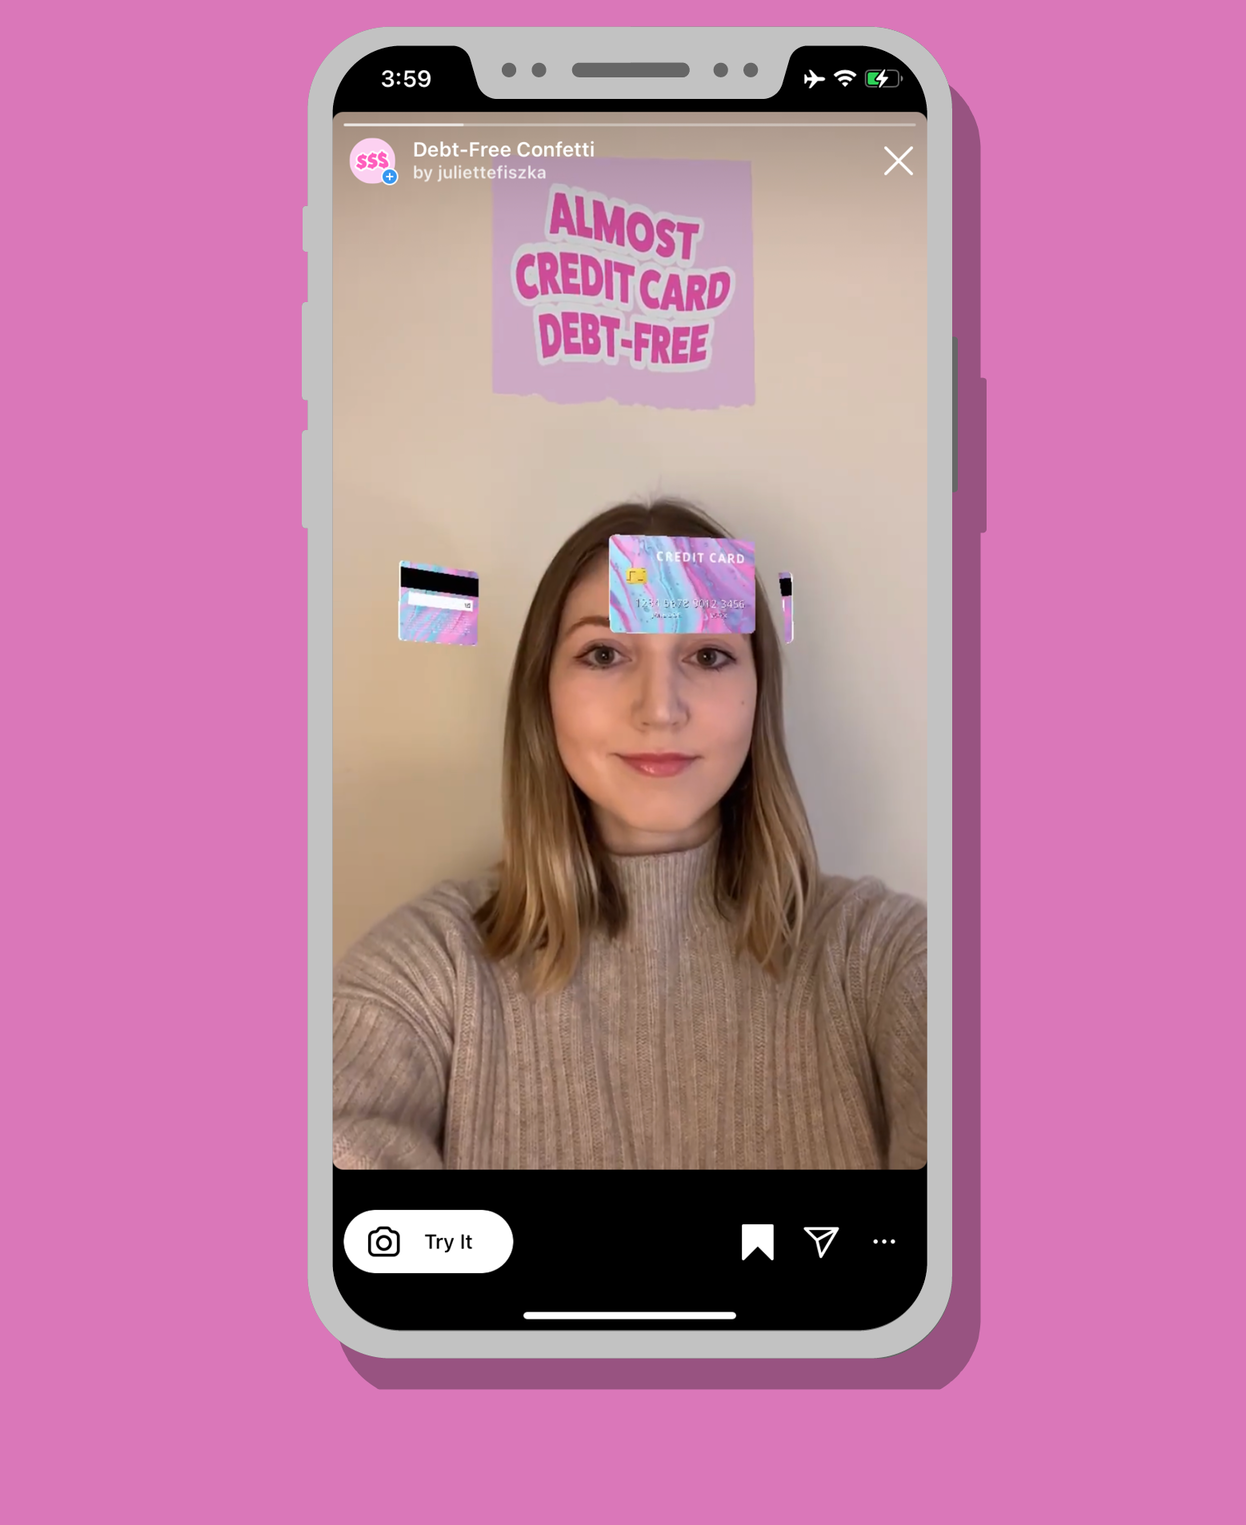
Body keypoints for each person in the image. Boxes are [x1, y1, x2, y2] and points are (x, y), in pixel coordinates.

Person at [333, 497, 926, 1171]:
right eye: (605, 652)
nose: (660, 708)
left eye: (707, 653)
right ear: (542, 693)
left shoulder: (884, 957)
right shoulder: (425, 972)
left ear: (759, 693)